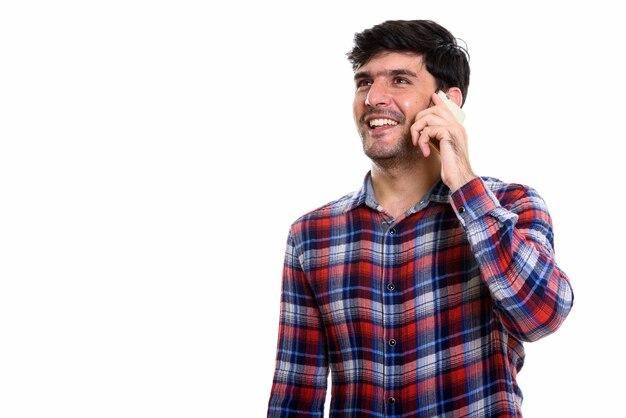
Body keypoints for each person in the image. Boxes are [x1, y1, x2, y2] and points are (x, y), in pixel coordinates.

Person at [267, 19, 573, 418]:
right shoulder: (311, 236)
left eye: (399, 80)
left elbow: (541, 317)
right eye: (364, 82)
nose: (374, 97)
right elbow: (295, 393)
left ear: (448, 102)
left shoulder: (511, 206)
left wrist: (463, 181)